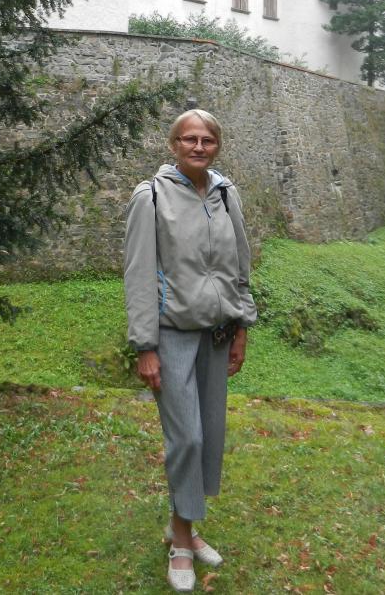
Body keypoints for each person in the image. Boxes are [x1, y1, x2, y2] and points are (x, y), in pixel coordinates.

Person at [123, 108, 258, 593]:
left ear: (217, 145)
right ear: (173, 144)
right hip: (172, 335)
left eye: (207, 140)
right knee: (188, 440)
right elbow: (138, 275)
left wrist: (242, 326)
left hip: (217, 335)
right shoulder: (151, 196)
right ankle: (182, 542)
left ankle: (182, 523)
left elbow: (240, 265)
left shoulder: (225, 194)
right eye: (189, 139)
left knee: (209, 437)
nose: (199, 147)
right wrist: (145, 346)